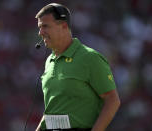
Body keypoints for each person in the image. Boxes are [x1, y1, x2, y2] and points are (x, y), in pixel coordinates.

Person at [35, 3, 120, 131]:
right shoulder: (49, 61)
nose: (40, 32)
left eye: (45, 26)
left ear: (63, 26)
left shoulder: (90, 58)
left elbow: (113, 100)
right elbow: (53, 109)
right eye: (39, 27)